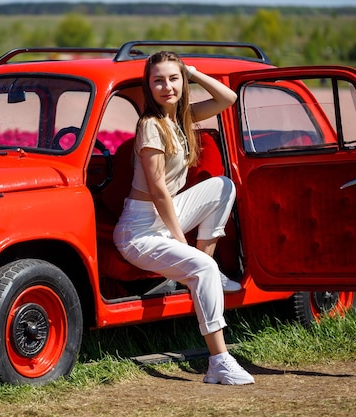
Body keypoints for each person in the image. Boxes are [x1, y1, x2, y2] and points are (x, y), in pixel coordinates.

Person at [113, 51, 254, 385]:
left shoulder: (180, 119)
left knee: (222, 186)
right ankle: (219, 362)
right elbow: (158, 189)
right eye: (158, 80)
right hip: (139, 231)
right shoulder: (150, 126)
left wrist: (194, 72)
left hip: (163, 218)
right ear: (149, 86)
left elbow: (228, 98)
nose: (166, 87)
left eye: (173, 79)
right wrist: (179, 239)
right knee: (204, 268)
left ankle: (202, 271)